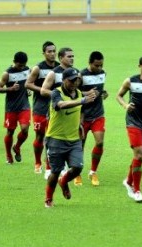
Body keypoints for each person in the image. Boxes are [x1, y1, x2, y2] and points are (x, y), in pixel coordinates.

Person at [44, 68, 96, 208]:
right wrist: (82, 100)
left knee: (78, 167)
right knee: (55, 171)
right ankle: (48, 198)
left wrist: (80, 125)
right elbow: (60, 105)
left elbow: (79, 111)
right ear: (64, 80)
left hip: (74, 140)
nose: (74, 83)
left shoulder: (78, 93)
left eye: (77, 80)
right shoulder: (56, 93)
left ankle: (64, 181)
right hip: (55, 139)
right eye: (71, 80)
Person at [40, 47, 75, 180]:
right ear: (61, 58)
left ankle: (64, 166)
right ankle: (49, 168)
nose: (72, 58)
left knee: (68, 139)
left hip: (72, 113)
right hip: (56, 112)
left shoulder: (75, 73)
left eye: (73, 56)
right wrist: (58, 95)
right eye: (69, 56)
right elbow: (43, 90)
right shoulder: (53, 73)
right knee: (51, 141)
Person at [116, 55, 142, 203]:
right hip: (134, 122)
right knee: (139, 155)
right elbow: (119, 96)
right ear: (140, 66)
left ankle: (128, 181)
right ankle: (136, 190)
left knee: (140, 157)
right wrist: (125, 105)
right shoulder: (131, 81)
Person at [26, 41, 59, 174]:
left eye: (54, 51)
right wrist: (42, 90)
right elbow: (28, 84)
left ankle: (49, 166)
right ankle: (37, 161)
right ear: (44, 53)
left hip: (55, 107)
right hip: (40, 107)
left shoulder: (59, 68)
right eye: (49, 51)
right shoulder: (38, 68)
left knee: (51, 138)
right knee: (40, 137)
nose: (52, 54)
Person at [78, 51, 107, 186]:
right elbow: (74, 93)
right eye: (97, 65)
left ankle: (93, 172)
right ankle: (77, 172)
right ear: (90, 63)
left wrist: (103, 93)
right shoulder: (81, 76)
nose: (99, 68)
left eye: (101, 65)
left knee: (100, 142)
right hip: (82, 116)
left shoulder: (102, 73)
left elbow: (100, 90)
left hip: (98, 114)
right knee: (80, 145)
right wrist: (87, 94)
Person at [0, 51, 31, 164]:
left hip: (24, 105)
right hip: (11, 107)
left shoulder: (27, 70)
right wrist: (10, 89)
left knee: (25, 129)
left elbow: (29, 83)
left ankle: (17, 146)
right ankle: (8, 155)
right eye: (19, 65)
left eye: (23, 65)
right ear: (14, 62)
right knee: (10, 132)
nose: (22, 68)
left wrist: (29, 89)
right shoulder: (7, 74)